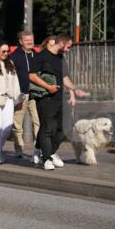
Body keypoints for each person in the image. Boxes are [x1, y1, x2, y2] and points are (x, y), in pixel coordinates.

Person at [28, 34, 88, 171]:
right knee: (47, 128)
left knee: (65, 128)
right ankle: (47, 158)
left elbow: (65, 77)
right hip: (45, 98)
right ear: (61, 43)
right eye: (68, 46)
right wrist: (48, 87)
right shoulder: (40, 56)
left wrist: (75, 89)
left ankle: (51, 152)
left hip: (60, 98)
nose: (68, 49)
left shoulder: (60, 58)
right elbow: (32, 76)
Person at [8, 30, 40, 160]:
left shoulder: (37, 55)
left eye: (31, 40)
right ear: (21, 41)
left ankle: (39, 149)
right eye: (26, 40)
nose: (29, 42)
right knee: (17, 124)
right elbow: (9, 76)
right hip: (20, 94)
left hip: (35, 94)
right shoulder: (14, 56)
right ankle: (19, 148)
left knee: (38, 122)